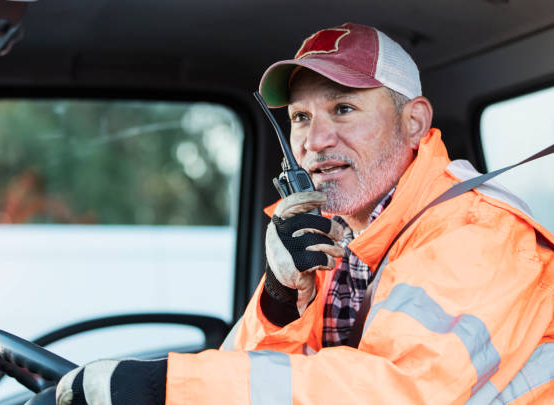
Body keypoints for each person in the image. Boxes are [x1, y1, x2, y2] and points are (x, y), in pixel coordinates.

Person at [55, 22, 554, 405]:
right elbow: (262, 375)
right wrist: (276, 296)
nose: (314, 142)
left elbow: (398, 391)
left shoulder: (477, 234)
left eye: (343, 110)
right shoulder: (342, 234)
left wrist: (167, 388)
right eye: (300, 117)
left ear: (414, 122)